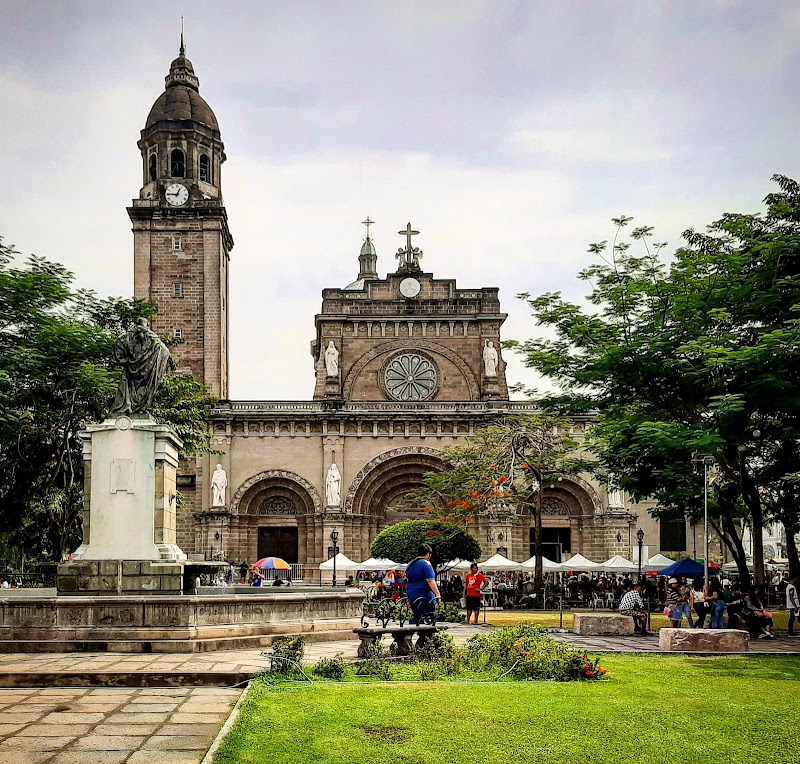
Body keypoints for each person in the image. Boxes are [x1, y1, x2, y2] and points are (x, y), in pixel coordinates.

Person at [405, 544, 442, 624]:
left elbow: (407, 580)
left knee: (417, 615)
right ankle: (426, 634)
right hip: (423, 595)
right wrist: (438, 594)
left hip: (411, 594)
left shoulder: (410, 564)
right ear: (428, 554)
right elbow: (430, 581)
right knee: (429, 615)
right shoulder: (426, 563)